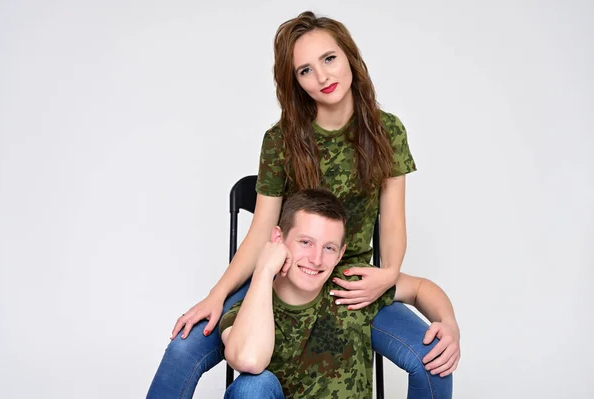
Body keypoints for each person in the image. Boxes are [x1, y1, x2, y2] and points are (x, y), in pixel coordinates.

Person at [147, 10, 460, 399]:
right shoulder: (281, 139)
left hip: (350, 283)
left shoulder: (387, 131)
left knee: (434, 358)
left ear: (349, 57)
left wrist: (389, 272)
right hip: (287, 272)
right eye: (305, 70)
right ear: (294, 81)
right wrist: (216, 296)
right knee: (183, 348)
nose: (323, 77)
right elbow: (262, 230)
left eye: (329, 59)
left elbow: (393, 220)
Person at [221, 189, 459, 399]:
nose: (316, 259)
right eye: (305, 242)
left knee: (436, 360)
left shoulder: (351, 285)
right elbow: (249, 360)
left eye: (329, 248)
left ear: (340, 253)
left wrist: (448, 322)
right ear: (277, 239)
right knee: (251, 387)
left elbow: (420, 289)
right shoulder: (247, 310)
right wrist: (263, 270)